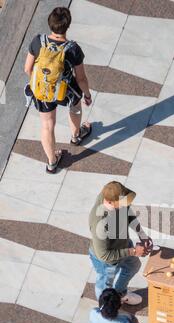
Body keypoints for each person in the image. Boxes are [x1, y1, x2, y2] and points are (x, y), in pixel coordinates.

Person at [24, 7, 92, 173]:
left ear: (50, 23)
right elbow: (81, 78)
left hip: (43, 91)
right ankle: (76, 136)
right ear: (67, 25)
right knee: (75, 107)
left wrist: (42, 84)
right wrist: (87, 95)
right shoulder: (73, 48)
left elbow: (27, 69)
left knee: (47, 125)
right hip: (66, 89)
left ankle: (52, 162)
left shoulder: (37, 41)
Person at [89, 181, 153, 304]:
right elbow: (104, 255)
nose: (126, 205)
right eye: (122, 204)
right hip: (107, 260)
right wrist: (134, 251)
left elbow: (127, 213)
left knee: (133, 266)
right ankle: (106, 308)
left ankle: (120, 294)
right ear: (110, 202)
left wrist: (142, 234)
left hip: (123, 244)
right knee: (105, 286)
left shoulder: (112, 192)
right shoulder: (99, 223)